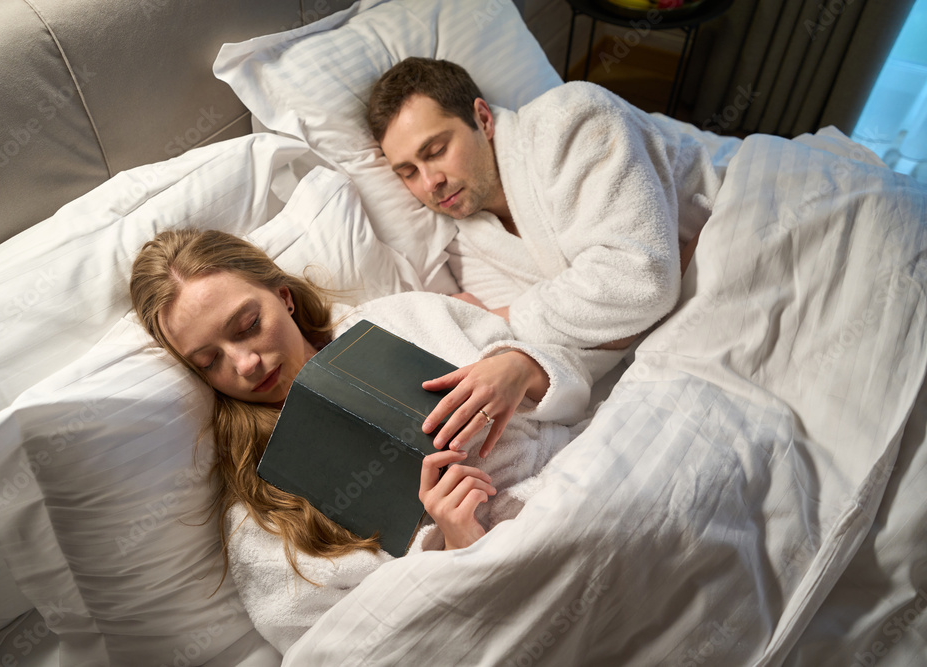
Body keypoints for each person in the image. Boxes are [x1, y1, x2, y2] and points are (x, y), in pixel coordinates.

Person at [129, 228, 594, 653]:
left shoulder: (402, 317)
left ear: (284, 297)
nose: (245, 363)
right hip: (496, 612)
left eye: (248, 325)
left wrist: (521, 368)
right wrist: (452, 553)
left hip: (587, 498)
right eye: (210, 361)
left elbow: (578, 402)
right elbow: (329, 647)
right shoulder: (259, 507)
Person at [367, 58, 721, 380]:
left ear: (483, 118)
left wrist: (504, 314)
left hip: (737, 236)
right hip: (685, 326)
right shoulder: (464, 245)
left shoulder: (571, 118)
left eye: (437, 151)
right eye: (409, 171)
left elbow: (642, 280)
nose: (431, 182)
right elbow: (546, 351)